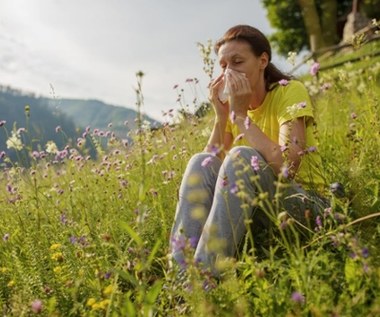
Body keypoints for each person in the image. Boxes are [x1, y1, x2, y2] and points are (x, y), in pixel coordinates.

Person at [169, 25, 326, 277]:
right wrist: (222, 117)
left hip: (305, 207)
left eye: (237, 61)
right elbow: (206, 172)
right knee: (200, 160)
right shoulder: (234, 109)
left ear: (262, 60)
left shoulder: (289, 91)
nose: (229, 72)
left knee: (241, 157)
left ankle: (203, 279)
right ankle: (180, 279)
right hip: (262, 209)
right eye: (223, 66)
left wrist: (240, 116)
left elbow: (287, 167)